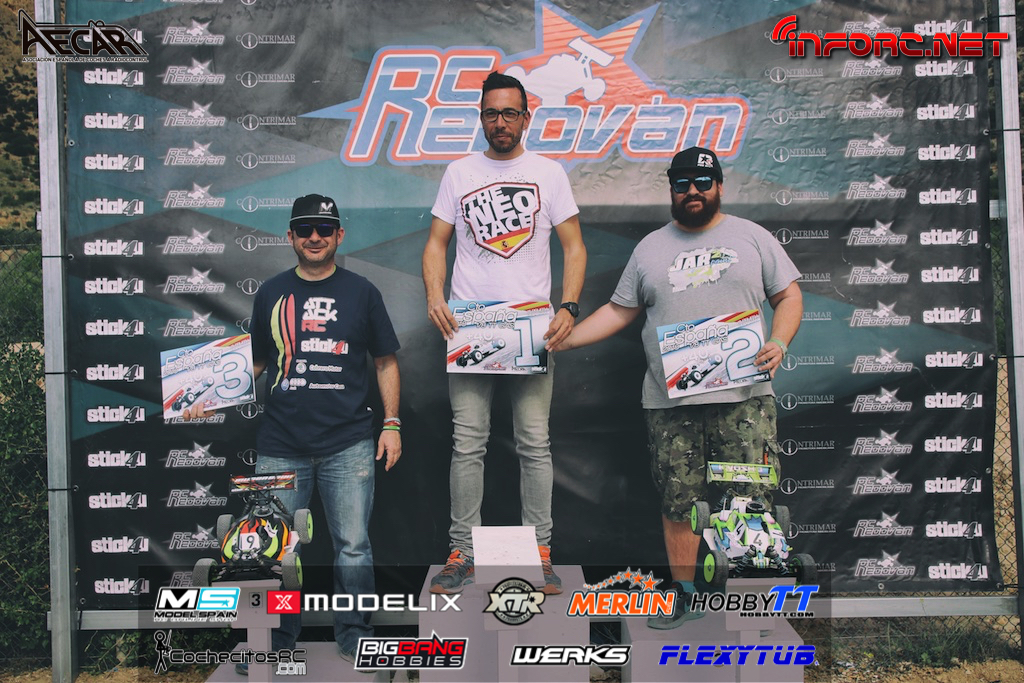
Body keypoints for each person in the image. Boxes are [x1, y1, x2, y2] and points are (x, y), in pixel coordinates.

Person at [555, 146, 802, 629]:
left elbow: (789, 295)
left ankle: (747, 606)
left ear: (720, 186)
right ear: (671, 190)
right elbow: (619, 310)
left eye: (703, 182)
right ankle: (688, 597)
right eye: (682, 183)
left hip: (744, 402)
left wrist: (779, 340)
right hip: (671, 405)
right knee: (679, 504)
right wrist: (562, 339)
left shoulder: (753, 237)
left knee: (748, 502)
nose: (693, 191)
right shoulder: (649, 249)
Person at [186, 193, 402, 665]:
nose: (314, 237)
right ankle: (277, 641)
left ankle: (355, 635)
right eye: (304, 229)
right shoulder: (271, 292)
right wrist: (206, 395)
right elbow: (257, 361)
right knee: (273, 550)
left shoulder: (362, 291)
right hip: (281, 444)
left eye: (324, 229)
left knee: (353, 546)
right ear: (290, 236)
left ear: (339, 235)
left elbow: (385, 360)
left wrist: (392, 423)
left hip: (349, 443)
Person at [421, 71, 587, 595]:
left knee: (534, 443)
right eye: (491, 113)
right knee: (467, 443)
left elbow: (575, 247)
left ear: (526, 117)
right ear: (481, 118)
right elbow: (435, 244)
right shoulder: (459, 172)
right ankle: (462, 552)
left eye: (509, 113)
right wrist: (435, 297)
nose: (500, 122)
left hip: (532, 329)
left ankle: (539, 552)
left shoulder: (548, 173)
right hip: (470, 326)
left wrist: (569, 306)